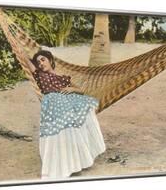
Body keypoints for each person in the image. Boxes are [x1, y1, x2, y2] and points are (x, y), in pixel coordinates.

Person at [25, 50, 106, 179]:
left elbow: (81, 90)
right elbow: (26, 60)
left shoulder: (62, 78)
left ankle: (76, 161)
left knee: (74, 129)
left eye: (43, 60)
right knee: (57, 136)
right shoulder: (39, 75)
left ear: (51, 61)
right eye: (38, 62)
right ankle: (61, 165)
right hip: (53, 106)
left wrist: (71, 89)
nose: (40, 63)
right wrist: (17, 43)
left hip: (68, 104)